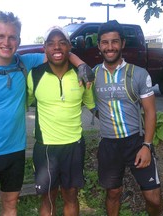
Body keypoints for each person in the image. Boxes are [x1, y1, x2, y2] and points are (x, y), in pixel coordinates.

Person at [0, 11, 93, 216]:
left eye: (12, 37)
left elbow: (57, 52)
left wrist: (80, 64)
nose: (6, 42)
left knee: (11, 206)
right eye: (1, 36)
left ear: (19, 40)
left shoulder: (24, 64)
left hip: (15, 153)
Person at [93, 20, 163, 215]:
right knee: (113, 193)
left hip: (136, 142)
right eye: (105, 42)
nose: (110, 47)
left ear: (122, 43)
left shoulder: (138, 74)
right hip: (109, 144)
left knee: (153, 198)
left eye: (114, 41)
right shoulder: (92, 75)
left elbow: (150, 112)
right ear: (99, 45)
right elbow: (89, 103)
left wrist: (146, 145)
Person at [27, 26, 95, 216]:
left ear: (69, 47)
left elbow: (93, 106)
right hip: (46, 147)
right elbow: (23, 103)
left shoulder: (82, 76)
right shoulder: (35, 75)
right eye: (51, 43)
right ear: (45, 48)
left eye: (62, 43)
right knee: (48, 197)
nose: (57, 48)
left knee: (71, 196)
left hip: (74, 145)